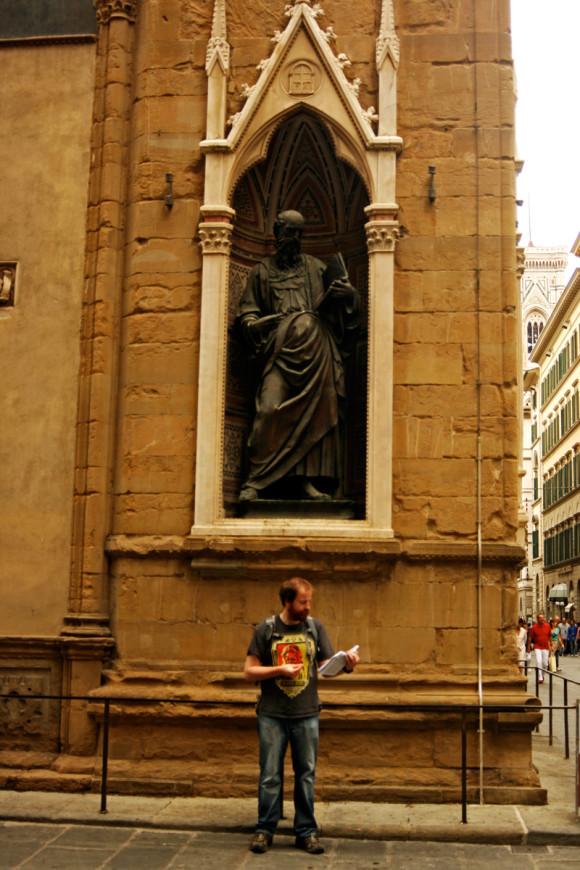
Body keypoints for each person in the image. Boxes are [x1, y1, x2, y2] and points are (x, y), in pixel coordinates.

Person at [236, 210, 360, 502]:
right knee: (269, 408)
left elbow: (343, 316)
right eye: (291, 232)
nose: (296, 239)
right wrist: (257, 324)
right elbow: (247, 316)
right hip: (279, 354)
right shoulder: (261, 272)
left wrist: (350, 296)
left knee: (320, 410)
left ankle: (307, 483)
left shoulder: (315, 268)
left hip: (319, 355)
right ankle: (256, 481)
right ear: (277, 234)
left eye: (300, 233)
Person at [244, 576, 359, 854]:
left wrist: (347, 665)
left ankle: (306, 831)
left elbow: (324, 668)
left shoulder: (315, 628)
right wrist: (279, 670)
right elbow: (249, 671)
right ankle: (264, 829)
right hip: (272, 714)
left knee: (306, 774)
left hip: (307, 713)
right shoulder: (266, 629)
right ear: (287, 601)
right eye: (303, 602)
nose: (308, 607)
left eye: (309, 601)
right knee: (270, 775)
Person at [527, 612, 551, 682]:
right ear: (537, 619)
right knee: (539, 661)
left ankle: (542, 674)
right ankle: (540, 677)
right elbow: (530, 637)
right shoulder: (534, 627)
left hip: (545, 647)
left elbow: (550, 635)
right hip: (537, 647)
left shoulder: (547, 626)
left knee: (545, 664)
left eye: (543, 618)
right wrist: (528, 647)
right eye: (541, 618)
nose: (542, 619)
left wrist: (551, 645)